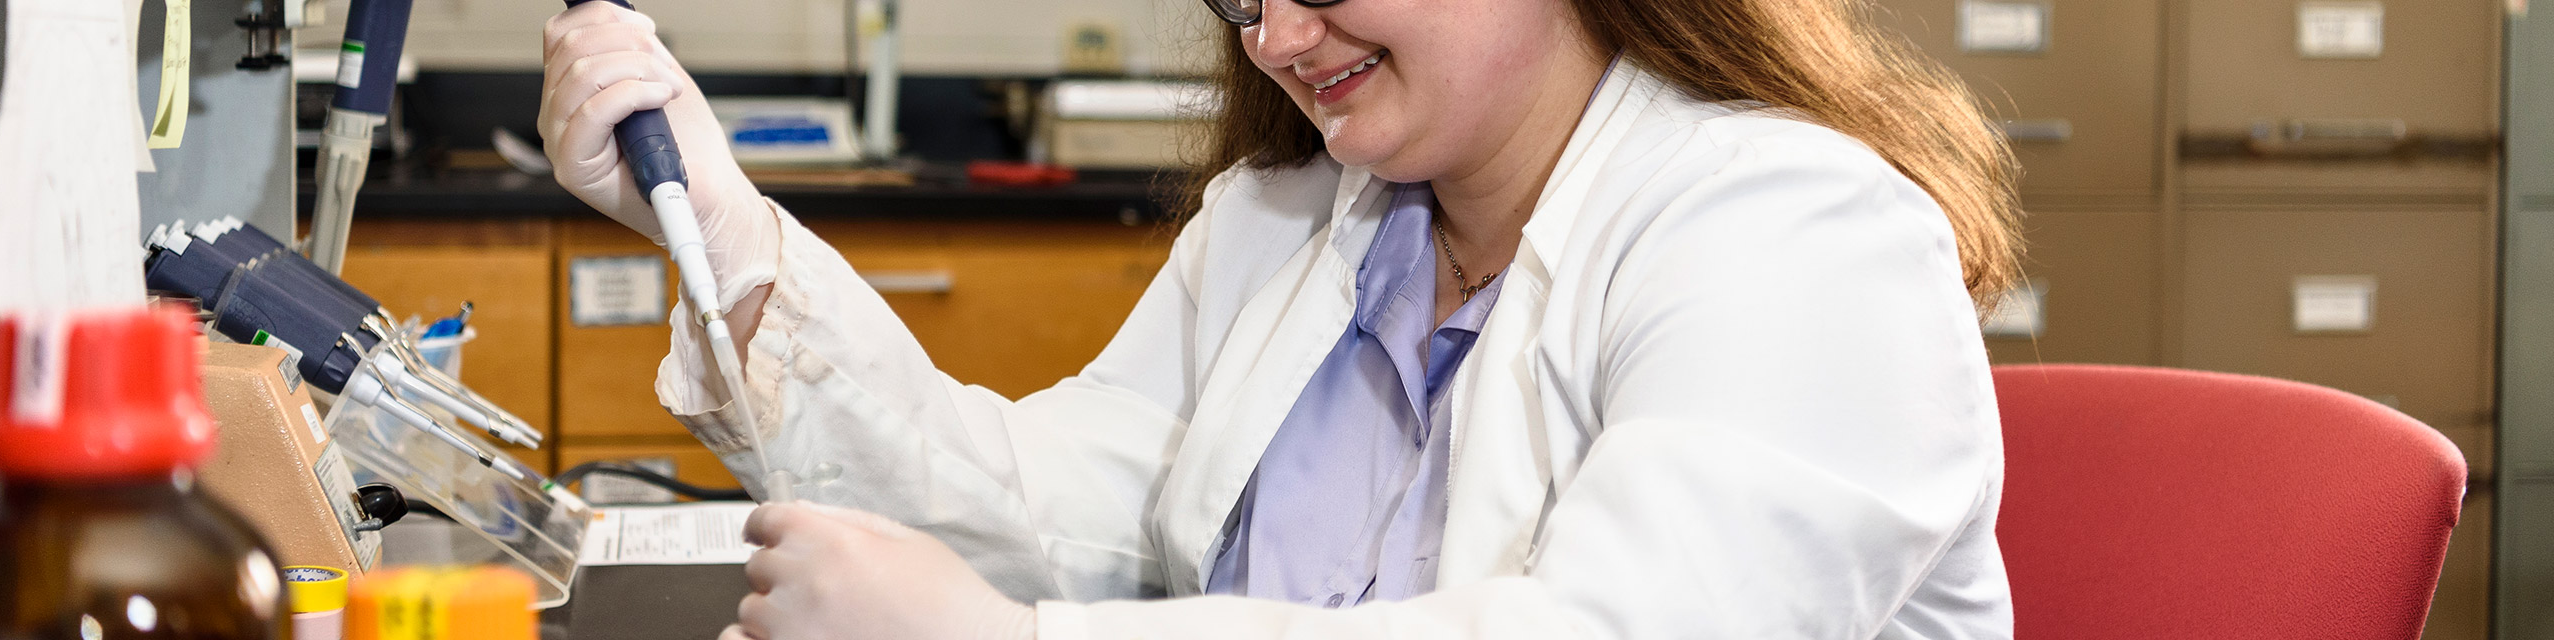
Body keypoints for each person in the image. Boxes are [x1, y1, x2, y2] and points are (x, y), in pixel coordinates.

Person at [537, 0, 2025, 633]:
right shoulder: (1294, 223)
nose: (1279, 37)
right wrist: (724, 233)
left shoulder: (1799, 239)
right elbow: (1040, 520)